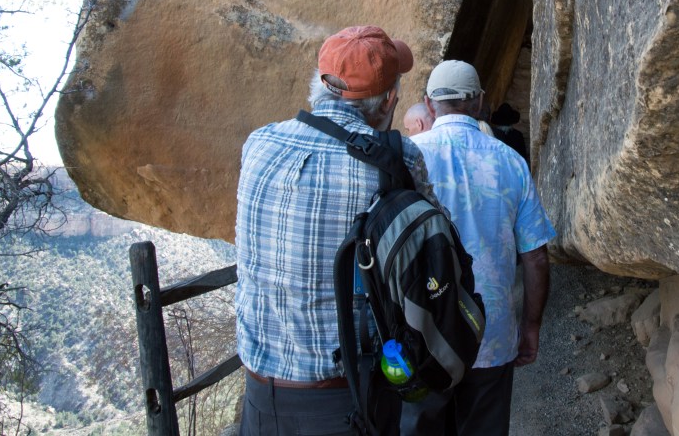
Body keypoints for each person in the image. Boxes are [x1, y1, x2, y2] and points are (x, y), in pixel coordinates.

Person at [235, 25, 442, 436]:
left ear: (320, 84)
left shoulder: (258, 143)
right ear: (388, 100)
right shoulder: (396, 159)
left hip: (259, 398)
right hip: (344, 400)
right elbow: (436, 243)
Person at [401, 60, 556, 436]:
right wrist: (530, 327)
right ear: (479, 102)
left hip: (423, 333)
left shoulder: (407, 157)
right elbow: (534, 256)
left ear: (429, 103)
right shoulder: (511, 163)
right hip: (492, 332)